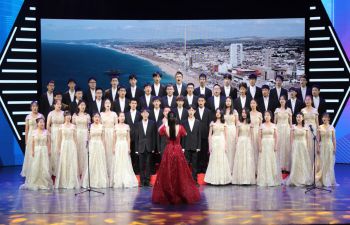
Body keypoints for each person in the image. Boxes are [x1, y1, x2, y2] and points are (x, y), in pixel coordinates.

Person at [152, 111, 200, 204]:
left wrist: (164, 123)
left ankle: (169, 192)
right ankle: (179, 191)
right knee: (180, 171)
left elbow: (159, 131)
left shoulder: (165, 128)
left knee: (168, 171)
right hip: (178, 150)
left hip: (168, 150)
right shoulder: (180, 127)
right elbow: (185, 134)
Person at [20, 118, 52, 190]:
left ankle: (44, 182)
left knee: (44, 166)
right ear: (37, 124)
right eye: (40, 122)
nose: (42, 124)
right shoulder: (34, 132)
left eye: (43, 122)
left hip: (44, 150)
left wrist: (49, 150)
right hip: (37, 150)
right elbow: (33, 142)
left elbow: (49, 142)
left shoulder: (46, 132)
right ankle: (35, 182)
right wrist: (32, 151)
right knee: (36, 166)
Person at [110, 112, 139, 188]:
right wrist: (113, 147)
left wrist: (129, 148)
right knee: (118, 162)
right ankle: (117, 180)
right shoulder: (115, 126)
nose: (122, 117)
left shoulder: (127, 126)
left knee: (125, 162)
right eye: (121, 116)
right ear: (118, 118)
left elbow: (128, 138)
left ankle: (126, 179)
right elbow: (114, 138)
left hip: (125, 145)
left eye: (123, 116)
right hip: (118, 145)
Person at [204, 109, 232, 185]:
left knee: (221, 158)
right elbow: (209, 135)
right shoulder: (212, 123)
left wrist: (226, 145)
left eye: (219, 112)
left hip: (221, 141)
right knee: (214, 158)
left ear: (221, 114)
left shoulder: (224, 123)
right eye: (216, 112)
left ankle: (222, 179)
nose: (218, 114)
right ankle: (213, 179)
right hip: (214, 141)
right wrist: (209, 145)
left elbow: (226, 135)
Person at [82, 113, 108, 188]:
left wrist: (104, 148)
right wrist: (87, 146)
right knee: (92, 162)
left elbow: (103, 138)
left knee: (99, 162)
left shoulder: (102, 126)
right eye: (95, 117)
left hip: (99, 145)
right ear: (93, 118)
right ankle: (90, 181)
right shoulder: (90, 126)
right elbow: (88, 137)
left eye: (98, 117)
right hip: (92, 145)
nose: (97, 118)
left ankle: (100, 181)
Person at [55, 111, 80, 189]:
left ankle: (72, 180)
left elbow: (75, 138)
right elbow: (59, 139)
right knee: (64, 162)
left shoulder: (73, 126)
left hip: (71, 144)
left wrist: (76, 147)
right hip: (64, 145)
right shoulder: (61, 126)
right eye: (67, 115)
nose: (69, 117)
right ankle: (64, 181)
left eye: (69, 115)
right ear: (64, 117)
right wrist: (58, 148)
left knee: (71, 162)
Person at [287, 113, 313, 186]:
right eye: (297, 117)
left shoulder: (306, 127)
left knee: (303, 161)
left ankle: (303, 178)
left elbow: (307, 138)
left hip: (303, 145)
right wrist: (292, 147)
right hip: (296, 145)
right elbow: (291, 138)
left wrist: (307, 147)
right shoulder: (293, 127)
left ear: (303, 118)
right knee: (296, 161)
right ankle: (295, 178)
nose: (298, 118)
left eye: (300, 117)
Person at [232, 108, 256, 185]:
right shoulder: (239, 123)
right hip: (240, 142)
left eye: (245, 112)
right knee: (241, 160)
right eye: (242, 112)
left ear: (247, 114)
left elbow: (252, 135)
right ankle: (240, 179)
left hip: (247, 142)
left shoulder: (250, 124)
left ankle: (247, 179)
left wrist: (252, 144)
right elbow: (236, 135)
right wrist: (236, 143)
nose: (244, 114)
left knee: (247, 160)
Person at [257, 111, 281, 186]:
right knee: (264, 160)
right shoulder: (262, 125)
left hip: (271, 144)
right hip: (264, 144)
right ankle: (264, 179)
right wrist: (260, 146)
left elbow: (276, 136)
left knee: (271, 160)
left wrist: (276, 146)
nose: (266, 116)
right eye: (265, 115)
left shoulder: (274, 125)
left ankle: (273, 179)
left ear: (271, 117)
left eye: (268, 115)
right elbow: (259, 137)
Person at [21, 101, 44, 177]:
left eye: (36, 106)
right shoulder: (28, 117)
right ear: (31, 107)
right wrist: (26, 140)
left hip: (38, 137)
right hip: (31, 137)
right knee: (30, 154)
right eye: (33, 106)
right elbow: (26, 129)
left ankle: (38, 171)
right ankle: (30, 171)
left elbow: (43, 128)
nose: (35, 107)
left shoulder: (41, 116)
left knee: (37, 153)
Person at [135, 108, 156, 187]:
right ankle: (142, 181)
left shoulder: (152, 123)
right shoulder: (138, 124)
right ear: (141, 114)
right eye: (143, 113)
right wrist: (136, 149)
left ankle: (147, 181)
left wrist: (153, 147)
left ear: (148, 114)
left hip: (149, 146)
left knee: (148, 164)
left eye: (146, 113)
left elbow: (154, 136)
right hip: (140, 147)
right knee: (141, 165)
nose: (145, 114)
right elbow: (137, 137)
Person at [181, 105, 201, 184]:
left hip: (195, 146)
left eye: (192, 110)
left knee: (194, 165)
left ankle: (195, 181)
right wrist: (182, 146)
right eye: (189, 110)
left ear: (195, 112)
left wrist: (198, 146)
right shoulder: (184, 122)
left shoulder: (198, 122)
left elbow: (199, 135)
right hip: (186, 146)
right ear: (188, 111)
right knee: (186, 164)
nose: (191, 112)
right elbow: (182, 135)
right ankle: (185, 181)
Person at [317, 113, 337, 187]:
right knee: (322, 162)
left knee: (329, 162)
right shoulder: (320, 127)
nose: (324, 119)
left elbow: (334, 139)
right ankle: (322, 179)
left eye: (326, 117)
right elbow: (318, 139)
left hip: (329, 146)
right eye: (323, 117)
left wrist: (335, 148)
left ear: (328, 119)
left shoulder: (332, 127)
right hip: (322, 146)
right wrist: (318, 148)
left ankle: (328, 179)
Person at [100, 99, 118, 181]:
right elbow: (99, 126)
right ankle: (105, 173)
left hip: (112, 134)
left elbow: (117, 126)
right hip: (104, 135)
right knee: (105, 153)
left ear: (111, 104)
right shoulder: (101, 114)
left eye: (109, 103)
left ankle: (112, 173)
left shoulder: (114, 114)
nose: (107, 104)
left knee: (111, 153)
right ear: (104, 105)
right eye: (106, 103)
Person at [274, 95, 292, 173]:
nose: (282, 100)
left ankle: (286, 167)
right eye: (280, 99)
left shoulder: (288, 110)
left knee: (286, 147)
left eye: (283, 99)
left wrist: (291, 131)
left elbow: (290, 123)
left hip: (287, 129)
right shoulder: (277, 110)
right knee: (279, 146)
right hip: (278, 129)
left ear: (286, 101)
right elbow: (275, 122)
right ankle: (279, 166)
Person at [72, 100, 90, 176]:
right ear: (78, 106)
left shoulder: (87, 115)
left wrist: (89, 137)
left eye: (84, 105)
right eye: (81, 105)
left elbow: (89, 127)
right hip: (77, 134)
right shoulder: (75, 115)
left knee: (85, 151)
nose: (83, 106)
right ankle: (78, 171)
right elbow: (73, 126)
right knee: (78, 151)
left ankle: (84, 171)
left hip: (85, 134)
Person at [46, 99, 64, 176]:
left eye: (60, 104)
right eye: (57, 104)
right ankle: (54, 169)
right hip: (53, 132)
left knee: (61, 149)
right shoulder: (51, 113)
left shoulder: (63, 113)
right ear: (54, 105)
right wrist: (50, 133)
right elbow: (47, 125)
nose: (59, 105)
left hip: (62, 133)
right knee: (54, 150)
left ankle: (61, 169)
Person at [195, 95, 212, 173]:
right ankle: (198, 168)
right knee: (197, 152)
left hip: (205, 135)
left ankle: (204, 168)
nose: (200, 102)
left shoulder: (208, 111)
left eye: (202, 101)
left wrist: (209, 134)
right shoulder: (195, 111)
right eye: (199, 101)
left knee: (205, 152)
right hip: (197, 135)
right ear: (197, 102)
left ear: (205, 102)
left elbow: (209, 123)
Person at [125, 99, 141, 173]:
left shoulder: (140, 114)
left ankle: (136, 170)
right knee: (129, 153)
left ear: (137, 104)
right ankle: (129, 170)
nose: (134, 104)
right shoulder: (126, 114)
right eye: (132, 103)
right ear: (130, 104)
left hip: (138, 137)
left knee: (136, 154)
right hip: (128, 137)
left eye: (135, 103)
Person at [301, 95, 319, 163]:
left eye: (309, 99)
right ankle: (305, 165)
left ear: (311, 101)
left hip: (313, 130)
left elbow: (317, 123)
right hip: (305, 130)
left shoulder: (315, 110)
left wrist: (318, 132)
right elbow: (301, 122)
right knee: (306, 147)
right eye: (306, 100)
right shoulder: (302, 110)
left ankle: (313, 166)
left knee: (312, 147)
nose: (307, 101)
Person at [224, 96, 239, 171]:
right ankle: (226, 169)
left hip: (233, 130)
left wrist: (237, 134)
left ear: (231, 102)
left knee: (232, 149)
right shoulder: (223, 111)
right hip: (224, 131)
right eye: (227, 101)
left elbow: (237, 124)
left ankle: (232, 169)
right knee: (226, 149)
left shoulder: (234, 111)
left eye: (229, 101)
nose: (228, 102)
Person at [250, 99, 263, 172]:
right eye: (251, 103)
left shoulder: (259, 114)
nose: (252, 104)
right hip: (250, 132)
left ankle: (258, 170)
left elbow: (261, 125)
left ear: (256, 104)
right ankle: (252, 170)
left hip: (258, 132)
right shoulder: (248, 113)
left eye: (254, 103)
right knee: (251, 150)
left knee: (258, 150)